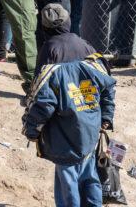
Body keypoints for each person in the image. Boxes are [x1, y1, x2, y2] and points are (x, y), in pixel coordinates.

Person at [23, 54, 116, 207]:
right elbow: (109, 86)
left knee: (68, 186)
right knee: (91, 178)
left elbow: (43, 105)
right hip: (89, 137)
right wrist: (106, 117)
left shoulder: (53, 71)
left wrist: (31, 131)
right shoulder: (92, 64)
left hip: (65, 145)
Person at [36, 3, 96, 75]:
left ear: (45, 28)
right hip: (88, 85)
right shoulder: (85, 44)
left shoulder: (48, 49)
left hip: (63, 85)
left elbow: (39, 77)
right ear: (68, 22)